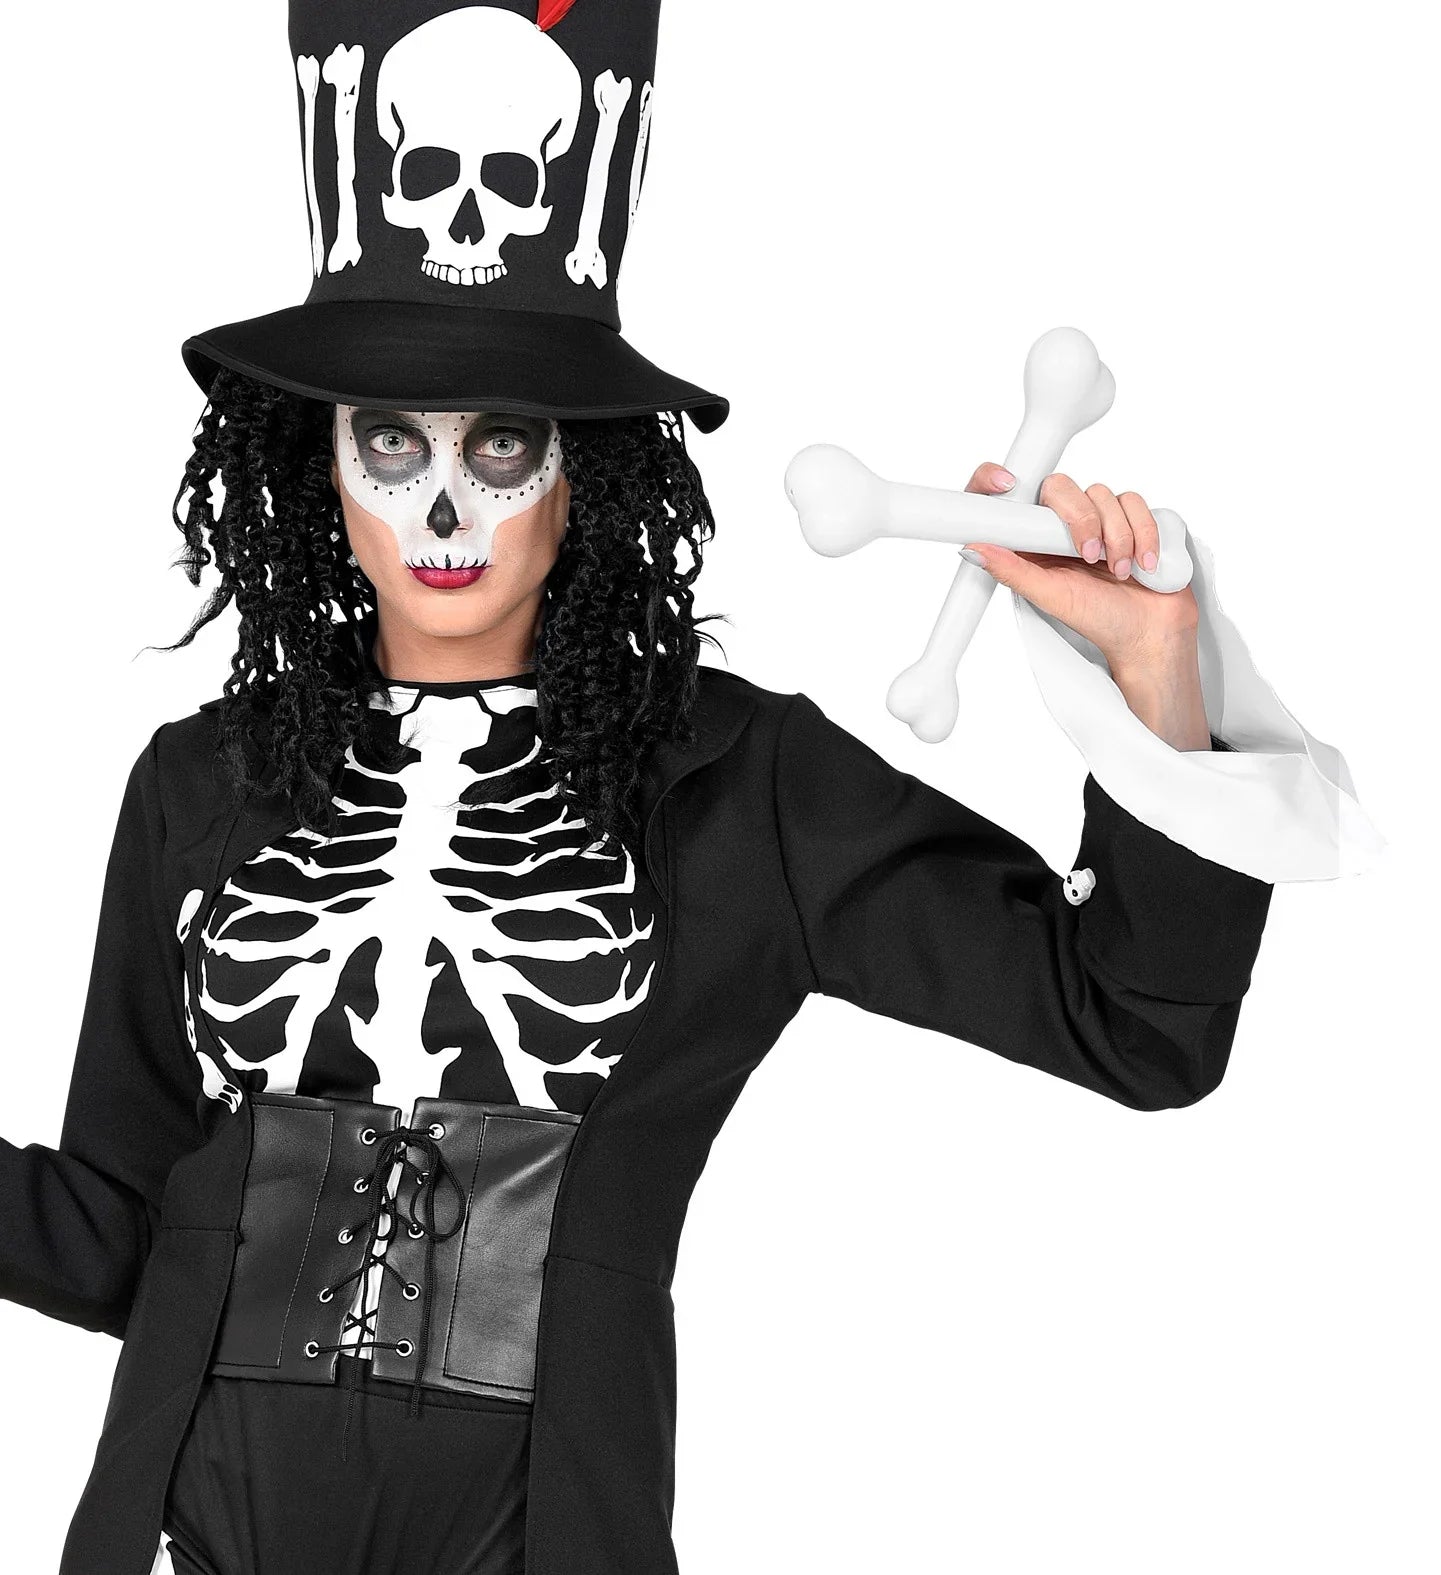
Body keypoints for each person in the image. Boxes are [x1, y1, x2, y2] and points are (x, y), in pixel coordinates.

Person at [0, 3, 1365, 1573]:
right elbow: (114, 1233)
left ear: (584, 469)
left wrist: (1153, 675)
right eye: (389, 442)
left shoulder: (729, 778)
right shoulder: (203, 780)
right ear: (318, 468)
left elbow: (1133, 1024)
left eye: (500, 446)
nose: (442, 509)